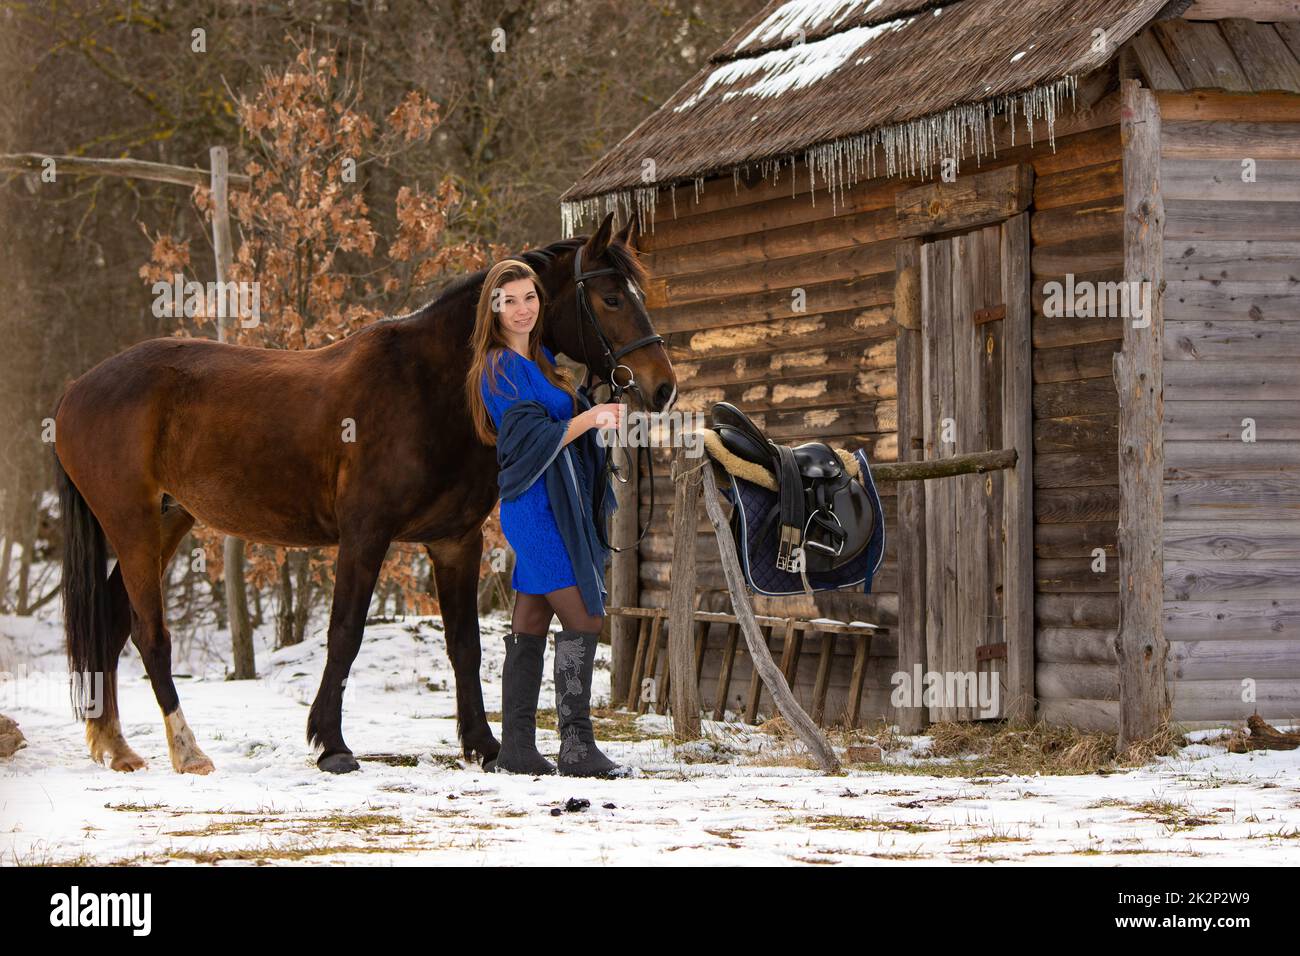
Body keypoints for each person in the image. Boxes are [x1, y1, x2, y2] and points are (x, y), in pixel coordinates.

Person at [464, 258, 627, 778]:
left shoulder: (541, 361)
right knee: (585, 617)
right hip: (535, 507)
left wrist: (594, 409)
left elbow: (561, 421)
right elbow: (528, 438)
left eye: (529, 297)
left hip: (557, 504)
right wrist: (589, 417)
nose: (522, 309)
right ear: (493, 309)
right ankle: (576, 747)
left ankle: (516, 749)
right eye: (508, 301)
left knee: (532, 620)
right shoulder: (495, 367)